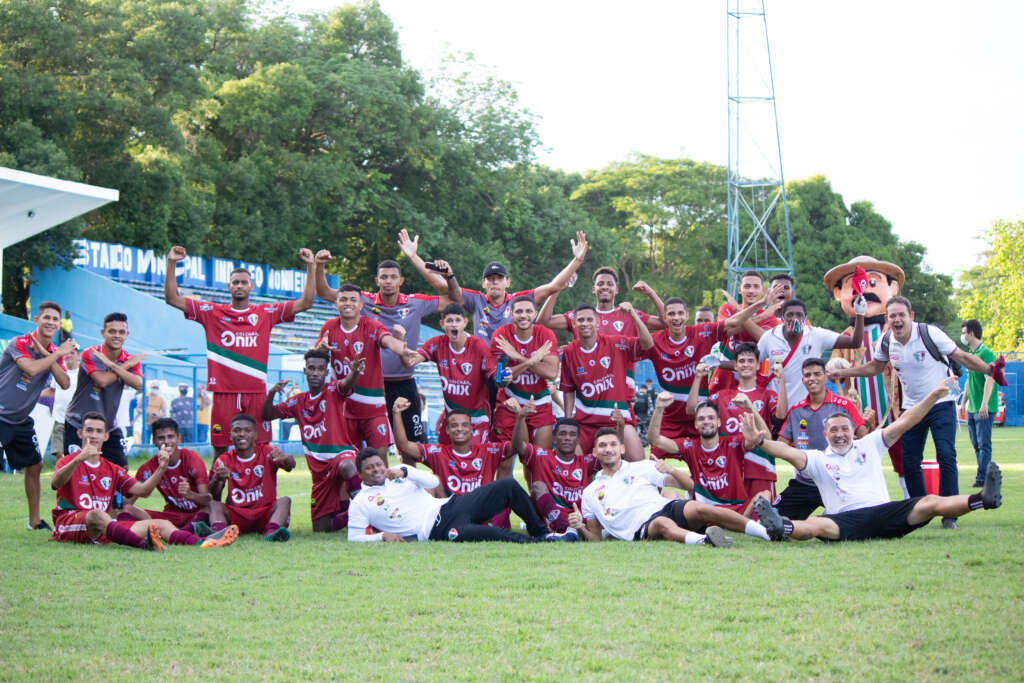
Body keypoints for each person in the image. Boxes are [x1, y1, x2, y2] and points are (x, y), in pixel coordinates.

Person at [828, 296, 1007, 529]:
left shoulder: (930, 334)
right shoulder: (886, 341)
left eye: (901, 314)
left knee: (946, 454)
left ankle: (949, 513)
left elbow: (962, 357)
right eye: (892, 316)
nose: (897, 319)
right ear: (887, 320)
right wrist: (848, 372)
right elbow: (875, 367)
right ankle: (919, 510)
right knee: (910, 462)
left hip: (942, 403)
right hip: (911, 408)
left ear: (911, 316)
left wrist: (990, 370)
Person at [744, 383, 1003, 543]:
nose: (839, 434)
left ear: (853, 430)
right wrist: (761, 443)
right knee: (817, 524)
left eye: (844, 428)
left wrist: (933, 397)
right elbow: (787, 452)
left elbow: (905, 421)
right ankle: (781, 526)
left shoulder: (870, 443)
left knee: (930, 502)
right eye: (833, 430)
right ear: (825, 435)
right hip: (844, 521)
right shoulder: (817, 458)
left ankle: (984, 499)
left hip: (884, 514)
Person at [164, 245, 318, 453]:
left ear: (251, 286)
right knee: (220, 447)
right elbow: (172, 299)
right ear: (229, 286)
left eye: (243, 282)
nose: (239, 286)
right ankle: (219, 486)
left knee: (262, 447)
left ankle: (260, 485)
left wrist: (311, 267)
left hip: (255, 392)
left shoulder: (266, 312)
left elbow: (306, 303)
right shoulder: (212, 312)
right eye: (235, 282)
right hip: (223, 392)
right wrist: (172, 263)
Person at [314, 235, 462, 445]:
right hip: (369, 386)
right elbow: (323, 292)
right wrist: (319, 266)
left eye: (393, 277)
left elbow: (455, 299)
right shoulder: (362, 300)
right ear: (377, 281)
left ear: (400, 281)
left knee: (413, 446)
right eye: (384, 277)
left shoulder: (415, 302)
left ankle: (408, 477)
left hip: (404, 384)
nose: (388, 281)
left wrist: (446, 274)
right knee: (366, 447)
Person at [49, 411, 238, 549]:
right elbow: (55, 483)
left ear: (106, 436)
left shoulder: (111, 468)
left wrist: (162, 467)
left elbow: (143, 491)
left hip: (104, 527)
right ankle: (144, 544)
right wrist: (78, 458)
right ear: (80, 434)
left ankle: (207, 543)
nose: (93, 435)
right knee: (96, 513)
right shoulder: (68, 461)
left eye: (98, 431)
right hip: (71, 522)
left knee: (159, 525)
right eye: (89, 430)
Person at [568, 429, 777, 545]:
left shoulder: (643, 467)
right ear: (594, 452)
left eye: (613, 444)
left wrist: (671, 470)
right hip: (642, 527)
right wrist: (579, 528)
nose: (608, 449)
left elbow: (689, 485)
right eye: (602, 446)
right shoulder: (590, 492)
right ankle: (705, 541)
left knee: (700, 508)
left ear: (622, 448)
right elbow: (595, 538)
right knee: (662, 523)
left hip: (665, 507)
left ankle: (767, 532)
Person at [347, 448, 578, 542]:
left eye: (378, 464)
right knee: (495, 535)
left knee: (507, 485)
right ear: (360, 473)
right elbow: (354, 538)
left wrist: (406, 471)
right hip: (437, 530)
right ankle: (540, 544)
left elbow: (433, 482)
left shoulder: (399, 476)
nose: (377, 470)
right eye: (370, 468)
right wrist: (381, 536)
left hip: (451, 506)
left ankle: (541, 532)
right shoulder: (360, 502)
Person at [263, 348, 364, 532]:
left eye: (320, 369)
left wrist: (355, 372)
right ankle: (351, 513)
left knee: (347, 466)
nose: (315, 372)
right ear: (305, 371)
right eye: (311, 368)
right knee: (321, 528)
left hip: (340, 455)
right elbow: (267, 414)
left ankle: (366, 509)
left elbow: (347, 383)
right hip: (319, 472)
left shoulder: (333, 390)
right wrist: (271, 393)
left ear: (326, 372)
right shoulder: (297, 401)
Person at [316, 283, 419, 462]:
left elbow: (388, 340)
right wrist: (321, 348)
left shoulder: (371, 325)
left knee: (379, 461)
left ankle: (382, 491)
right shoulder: (329, 327)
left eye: (353, 300)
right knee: (346, 462)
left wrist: (402, 349)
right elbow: (316, 352)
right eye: (343, 299)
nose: (348, 303)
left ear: (361, 304)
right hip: (343, 408)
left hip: (373, 408)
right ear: (336, 304)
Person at [642, 295, 755, 458]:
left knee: (711, 463)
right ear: (665, 317)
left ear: (686, 316)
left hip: (700, 414)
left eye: (680, 313)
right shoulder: (657, 341)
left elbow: (736, 327)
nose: (676, 317)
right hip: (671, 418)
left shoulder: (706, 337)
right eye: (671, 314)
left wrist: (761, 304)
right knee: (652, 463)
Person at [0, 301, 74, 530]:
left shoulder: (54, 352)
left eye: (55, 319)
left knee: (35, 466)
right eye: (47, 318)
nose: (51, 322)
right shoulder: (19, 342)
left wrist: (50, 354)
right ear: (36, 320)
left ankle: (34, 521)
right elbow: (31, 369)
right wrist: (54, 354)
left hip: (20, 420)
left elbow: (64, 382)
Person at [537, 268, 666, 398]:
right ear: (594, 289)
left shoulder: (629, 314)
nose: (605, 287)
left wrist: (651, 293)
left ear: (617, 289)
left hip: (621, 393)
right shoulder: (582, 317)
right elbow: (543, 321)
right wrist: (558, 286)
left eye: (610, 284)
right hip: (587, 392)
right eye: (600, 284)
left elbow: (665, 322)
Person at [649, 395, 776, 522]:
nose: (706, 421)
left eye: (711, 418)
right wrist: (659, 408)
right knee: (668, 494)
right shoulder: (690, 446)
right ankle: (747, 524)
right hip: (703, 512)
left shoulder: (733, 443)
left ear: (719, 422)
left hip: (736, 510)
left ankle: (749, 523)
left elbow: (765, 439)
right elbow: (655, 440)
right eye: (701, 419)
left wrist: (750, 409)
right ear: (696, 424)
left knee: (765, 494)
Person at [685, 342, 787, 493]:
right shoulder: (722, 396)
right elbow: (692, 410)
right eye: (741, 361)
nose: (746, 364)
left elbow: (781, 414)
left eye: (750, 361)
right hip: (729, 469)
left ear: (758, 365)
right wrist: (698, 378)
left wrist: (782, 380)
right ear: (735, 365)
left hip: (760, 469)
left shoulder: (767, 395)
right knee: (730, 515)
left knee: (762, 514)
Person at [775, 358, 869, 520]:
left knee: (857, 520)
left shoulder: (844, 405)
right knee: (771, 519)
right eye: (807, 375)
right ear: (803, 380)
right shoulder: (796, 411)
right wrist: (760, 438)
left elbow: (863, 437)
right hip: (805, 482)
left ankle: (827, 518)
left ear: (825, 377)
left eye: (817, 374)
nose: (812, 378)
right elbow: (780, 446)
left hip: (838, 482)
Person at [559, 302, 653, 460]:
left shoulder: (617, 343)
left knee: (638, 464)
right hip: (586, 423)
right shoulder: (569, 351)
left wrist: (634, 316)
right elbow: (568, 389)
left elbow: (648, 344)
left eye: (590, 319)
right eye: (581, 320)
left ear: (597, 322)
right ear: (574, 323)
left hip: (618, 419)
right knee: (578, 468)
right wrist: (568, 420)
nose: (585, 323)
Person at [460, 232, 588, 343]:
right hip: (482, 366)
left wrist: (577, 260)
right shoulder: (476, 299)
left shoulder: (519, 300)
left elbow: (552, 287)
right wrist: (446, 274)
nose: (495, 282)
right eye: (490, 279)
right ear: (483, 283)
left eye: (499, 279)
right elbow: (448, 288)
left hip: (511, 366)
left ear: (508, 282)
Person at [747, 297, 865, 406]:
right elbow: (750, 363)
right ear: (782, 318)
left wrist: (859, 313)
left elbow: (854, 342)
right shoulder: (770, 337)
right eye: (790, 315)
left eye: (799, 315)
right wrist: (728, 364)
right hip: (776, 409)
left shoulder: (816, 335)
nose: (794, 319)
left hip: (806, 408)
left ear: (805, 318)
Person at [403, 303, 492, 445]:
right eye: (449, 321)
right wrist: (402, 347)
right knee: (443, 460)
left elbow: (494, 375)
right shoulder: (436, 344)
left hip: (477, 417)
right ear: (442, 324)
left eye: (457, 320)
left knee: (471, 459)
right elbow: (412, 360)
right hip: (451, 417)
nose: (454, 325)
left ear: (465, 323)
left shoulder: (478, 346)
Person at [64, 312, 144, 467]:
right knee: (74, 471)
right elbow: (102, 381)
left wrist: (116, 365)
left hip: (107, 425)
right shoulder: (91, 354)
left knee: (121, 468)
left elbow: (138, 384)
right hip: (78, 423)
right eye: (112, 331)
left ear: (127, 334)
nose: (117, 335)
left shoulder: (129, 359)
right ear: (103, 333)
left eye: (121, 332)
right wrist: (124, 366)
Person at [392, 398, 513, 498]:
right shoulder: (437, 453)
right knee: (429, 483)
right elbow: (404, 446)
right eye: (454, 425)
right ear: (447, 430)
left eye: (464, 425)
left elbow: (518, 446)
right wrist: (396, 413)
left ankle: (530, 524)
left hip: (480, 516)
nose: (459, 429)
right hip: (450, 516)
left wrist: (520, 416)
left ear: (471, 429)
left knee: (512, 487)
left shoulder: (488, 451)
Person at [509, 402, 597, 533]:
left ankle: (571, 529)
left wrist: (620, 427)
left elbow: (614, 458)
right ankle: (562, 527)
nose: (567, 438)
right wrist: (520, 418)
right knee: (538, 486)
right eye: (562, 434)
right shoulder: (541, 456)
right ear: (554, 439)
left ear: (578, 440)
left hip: (577, 520)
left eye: (572, 435)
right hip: (548, 521)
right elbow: (518, 446)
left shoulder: (585, 461)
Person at [208, 413, 295, 541]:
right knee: (214, 504)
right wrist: (217, 479)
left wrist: (285, 458)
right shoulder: (224, 459)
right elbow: (212, 493)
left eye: (247, 430)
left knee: (285, 501)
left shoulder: (268, 452)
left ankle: (271, 532)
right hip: (237, 515)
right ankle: (218, 534)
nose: (242, 434)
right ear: (230, 435)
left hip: (264, 513)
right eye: (237, 430)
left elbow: (290, 465)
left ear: (255, 435)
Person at [488, 296, 559, 447]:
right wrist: (531, 361)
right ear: (511, 314)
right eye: (519, 311)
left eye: (528, 311)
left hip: (539, 404)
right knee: (504, 462)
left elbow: (552, 373)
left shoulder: (545, 334)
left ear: (535, 314)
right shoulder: (501, 335)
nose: (523, 315)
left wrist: (518, 357)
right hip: (510, 403)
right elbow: (501, 380)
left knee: (537, 461)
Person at [128, 417, 212, 531]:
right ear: (154, 441)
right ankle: (180, 530)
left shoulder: (192, 459)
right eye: (161, 438)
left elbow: (207, 499)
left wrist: (190, 494)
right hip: (171, 516)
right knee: (128, 509)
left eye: (170, 437)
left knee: (210, 509)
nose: (166, 442)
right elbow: (130, 501)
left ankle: (182, 530)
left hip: (196, 514)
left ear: (178, 438)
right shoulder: (147, 468)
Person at [710, 271, 785, 394]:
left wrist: (738, 310)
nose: (751, 291)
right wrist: (758, 316)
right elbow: (727, 331)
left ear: (763, 290)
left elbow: (764, 339)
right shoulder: (727, 308)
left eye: (756, 287)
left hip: (752, 385)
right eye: (747, 286)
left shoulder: (769, 317)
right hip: (723, 382)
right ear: (739, 289)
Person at [960, 319, 998, 488]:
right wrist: (963, 403)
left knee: (984, 444)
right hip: (972, 407)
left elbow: (990, 379)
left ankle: (982, 478)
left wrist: (985, 404)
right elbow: (969, 380)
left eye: (963, 332)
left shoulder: (986, 353)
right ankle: (984, 474)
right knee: (976, 444)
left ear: (971, 333)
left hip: (984, 408)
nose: (962, 336)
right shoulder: (971, 354)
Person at [50, 348, 80, 460]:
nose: (68, 355)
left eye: (72, 353)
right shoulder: (58, 371)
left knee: (73, 452)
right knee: (59, 452)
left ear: (78, 355)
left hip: (76, 420)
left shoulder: (83, 373)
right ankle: (60, 475)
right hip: (59, 418)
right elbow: (51, 391)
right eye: (66, 353)